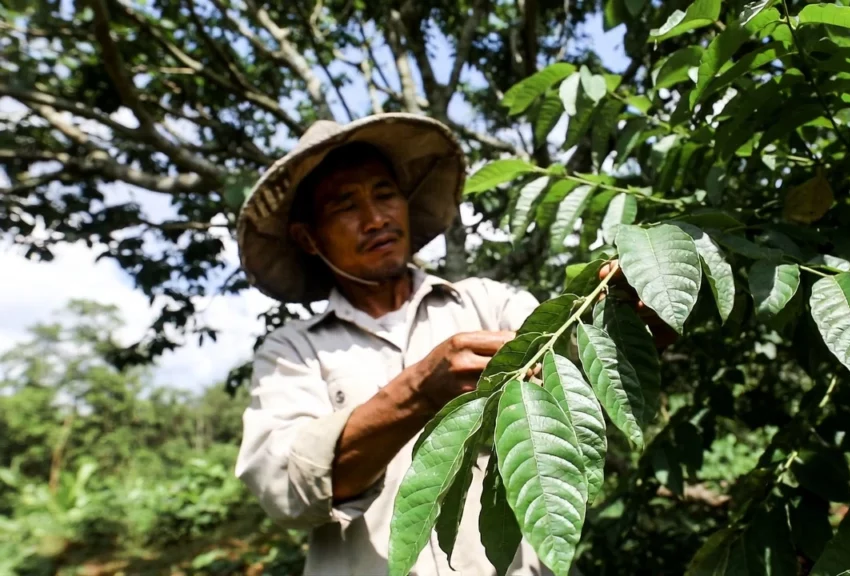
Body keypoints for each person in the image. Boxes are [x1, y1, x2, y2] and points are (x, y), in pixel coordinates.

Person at [233, 114, 668, 576]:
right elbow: (288, 491)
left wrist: (636, 316)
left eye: (385, 194)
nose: (376, 218)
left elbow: (580, 375)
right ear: (308, 237)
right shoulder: (292, 351)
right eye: (345, 206)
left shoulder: (488, 302)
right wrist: (418, 392)